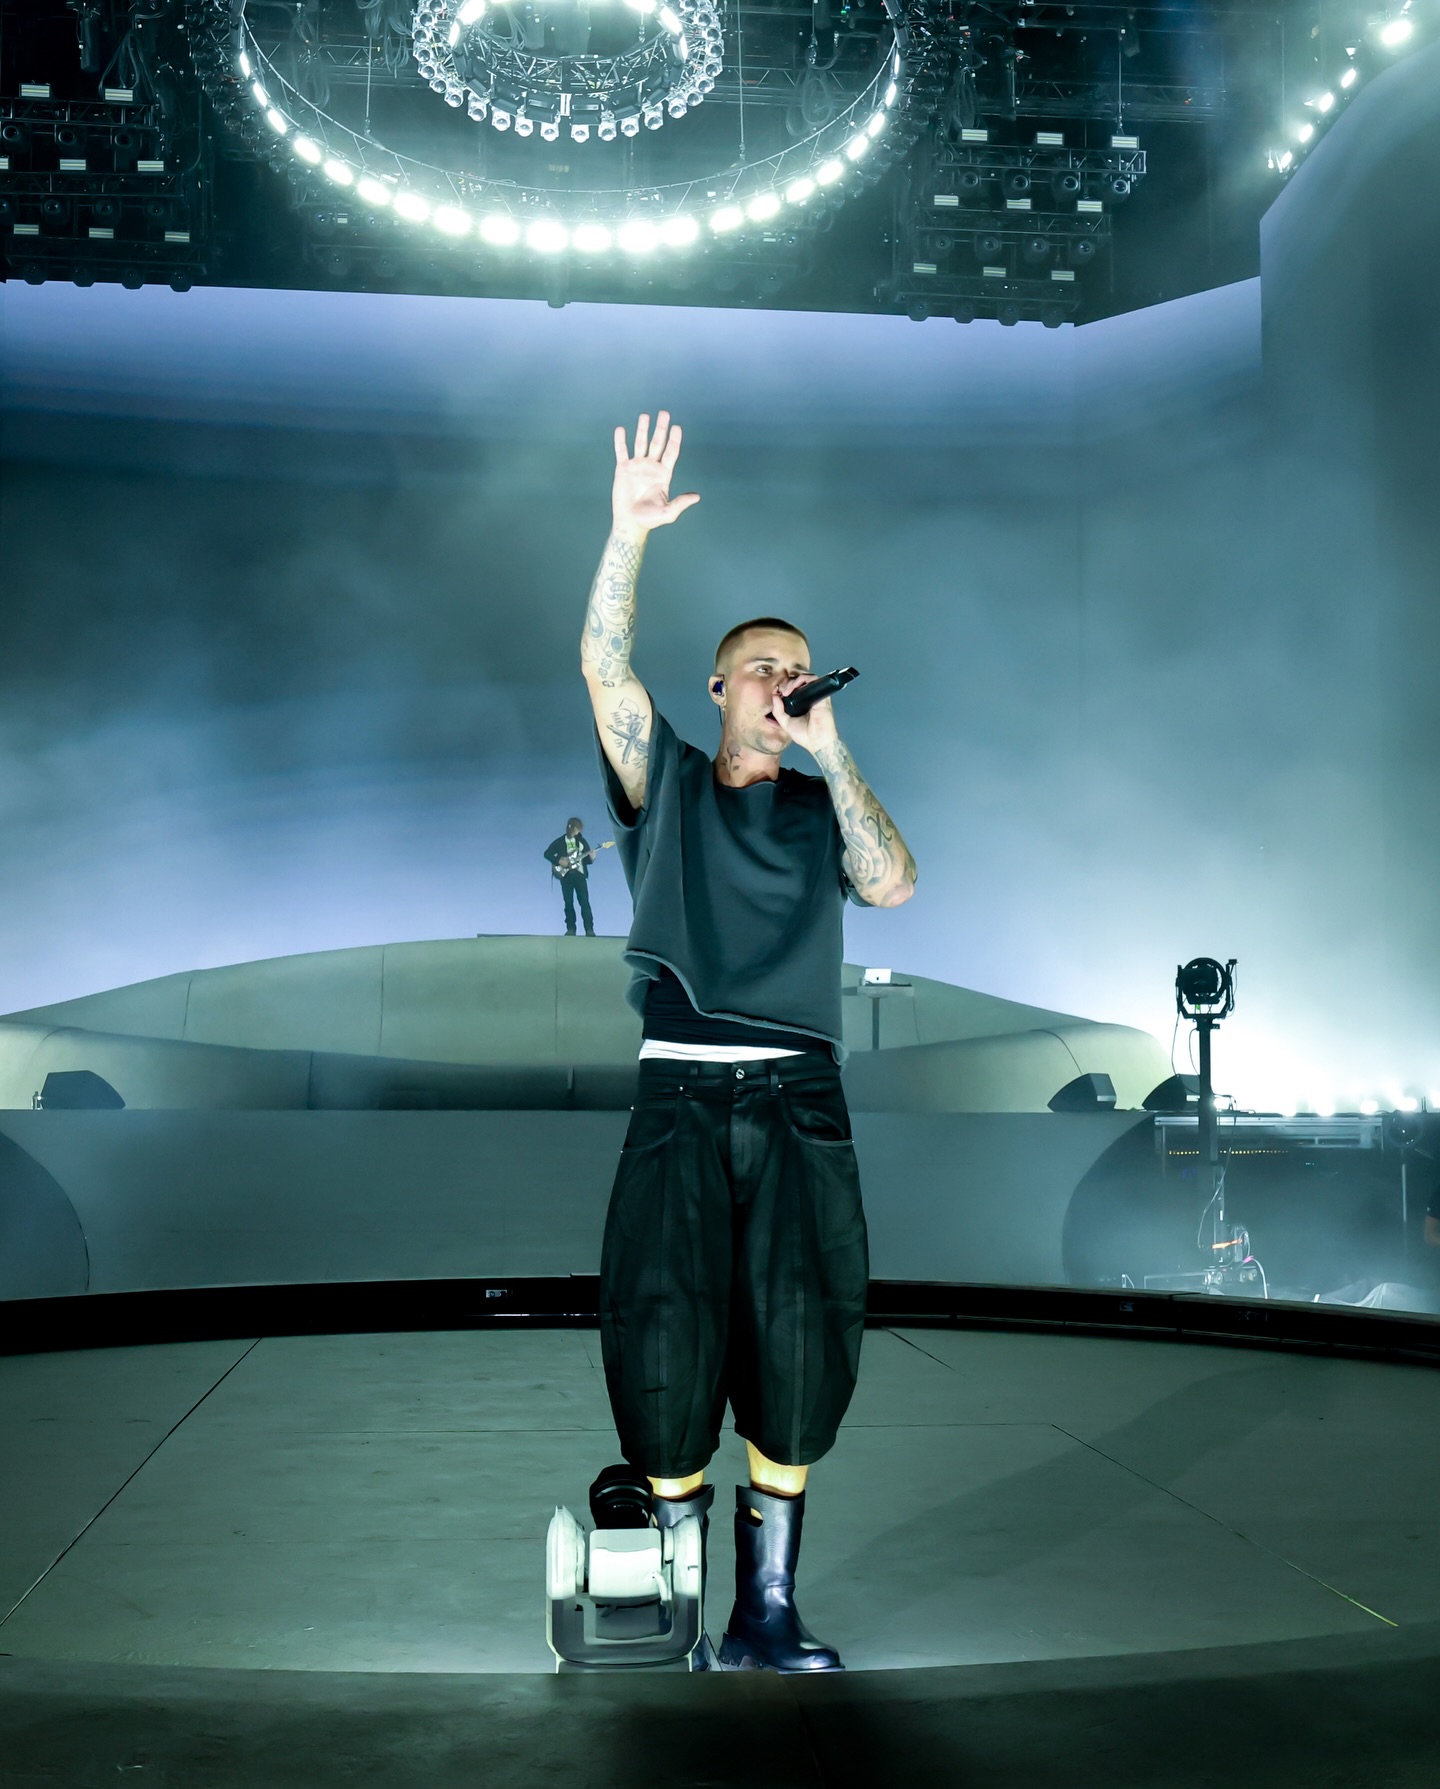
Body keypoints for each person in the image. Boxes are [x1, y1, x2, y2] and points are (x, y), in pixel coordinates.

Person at [580, 410, 917, 1672]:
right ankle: (675, 1600)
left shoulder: (827, 806)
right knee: (664, 1332)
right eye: (763, 667)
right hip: (679, 1093)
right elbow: (604, 667)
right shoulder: (664, 781)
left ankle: (766, 1611)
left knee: (800, 1332)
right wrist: (627, 534)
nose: (785, 681)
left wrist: (835, 753)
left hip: (797, 1099)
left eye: (800, 669)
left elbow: (890, 884)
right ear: (721, 686)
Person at [543, 817, 599, 936]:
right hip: (566, 876)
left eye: (578, 829)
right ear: (570, 827)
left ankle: (589, 929)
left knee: (584, 902)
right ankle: (571, 929)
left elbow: (586, 861)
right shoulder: (559, 842)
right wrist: (559, 861)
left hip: (580, 876)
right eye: (575, 828)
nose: (576, 831)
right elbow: (547, 854)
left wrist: (592, 858)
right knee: (568, 903)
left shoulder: (582, 842)